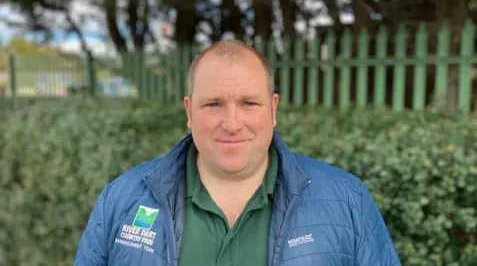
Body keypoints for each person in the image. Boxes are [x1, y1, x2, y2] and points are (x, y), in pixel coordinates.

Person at [74, 39, 401, 266]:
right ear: (190, 112)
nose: (232, 124)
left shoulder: (347, 201)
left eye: (248, 103)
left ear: (273, 109)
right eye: (213, 104)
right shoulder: (121, 199)